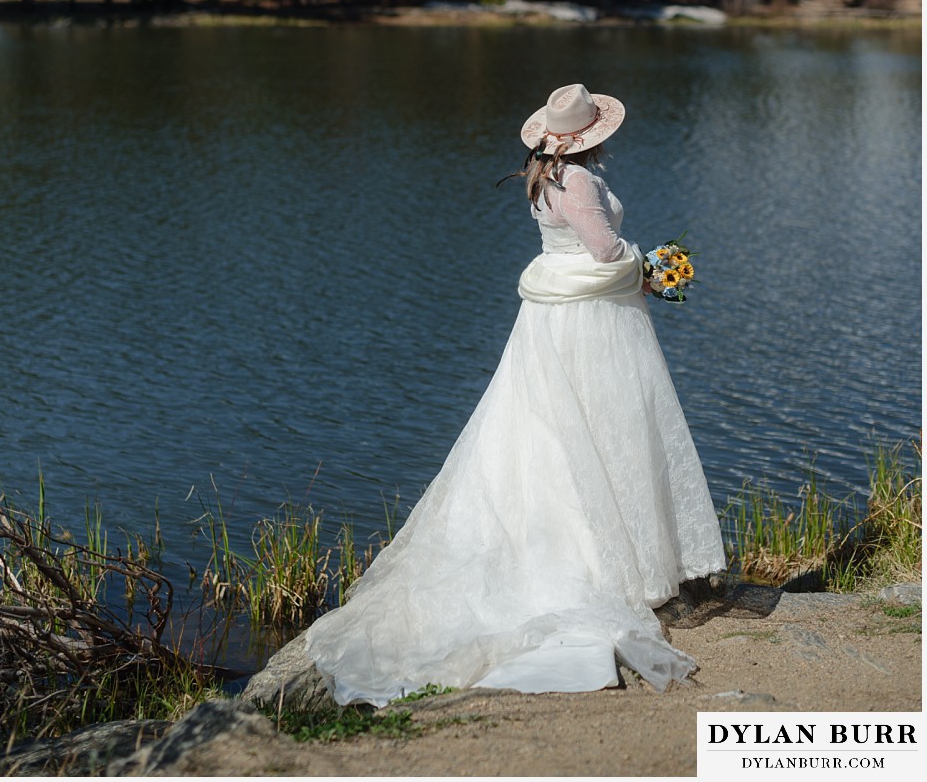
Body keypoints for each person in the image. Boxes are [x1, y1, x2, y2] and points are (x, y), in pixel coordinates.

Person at [304, 83, 726, 706]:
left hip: (560, 308)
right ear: (592, 136)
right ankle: (607, 567)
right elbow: (604, 249)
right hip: (587, 319)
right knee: (601, 423)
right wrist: (653, 268)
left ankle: (614, 553)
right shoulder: (576, 181)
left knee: (552, 429)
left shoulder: (543, 175)